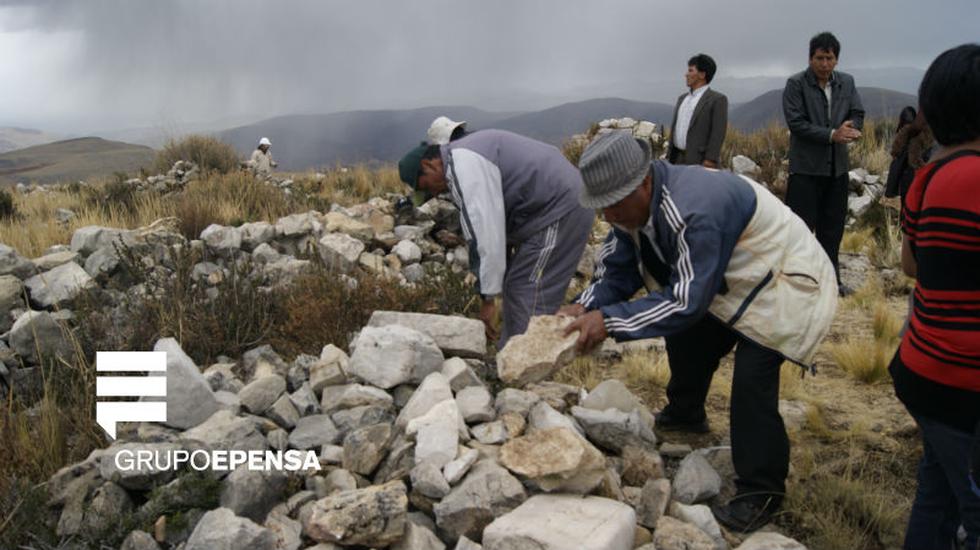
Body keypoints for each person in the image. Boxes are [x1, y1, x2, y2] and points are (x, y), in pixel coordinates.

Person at [560, 130, 837, 532]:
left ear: (643, 183)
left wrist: (608, 322)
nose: (608, 217)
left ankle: (761, 493)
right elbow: (619, 270)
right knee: (688, 339)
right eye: (602, 207)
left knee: (752, 381)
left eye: (614, 205)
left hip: (784, 280)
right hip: (729, 281)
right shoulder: (631, 209)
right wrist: (584, 306)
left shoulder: (694, 210)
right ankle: (686, 412)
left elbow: (686, 302)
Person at [888, 43, 980, 549]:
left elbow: (909, 265)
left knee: (938, 494)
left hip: (922, 371)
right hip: (966, 384)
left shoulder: (926, 178)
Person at [398, 129, 594, 347]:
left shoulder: (465, 166)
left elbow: (486, 234)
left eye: (426, 187)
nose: (433, 194)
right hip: (551, 206)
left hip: (560, 206)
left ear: (429, 165)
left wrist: (488, 300)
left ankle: (528, 364)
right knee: (517, 283)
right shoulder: (462, 157)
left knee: (529, 287)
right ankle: (511, 352)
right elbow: (497, 229)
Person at [782, 32, 865, 296]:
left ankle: (831, 283)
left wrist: (852, 129)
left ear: (837, 60)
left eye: (830, 58)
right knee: (801, 231)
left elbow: (857, 112)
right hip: (806, 170)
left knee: (832, 230)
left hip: (837, 170)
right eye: (820, 58)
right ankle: (797, 284)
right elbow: (796, 123)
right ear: (810, 58)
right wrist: (832, 135)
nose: (825, 64)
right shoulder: (795, 84)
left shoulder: (847, 83)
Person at [667, 54, 729, 168]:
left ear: (702, 74)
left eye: (691, 70)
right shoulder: (682, 99)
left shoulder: (717, 100)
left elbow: (718, 132)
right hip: (675, 160)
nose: (686, 74)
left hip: (699, 162)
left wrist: (710, 159)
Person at [884, 107, 935, 206]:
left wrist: (890, 192)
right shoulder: (926, 135)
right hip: (922, 178)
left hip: (909, 178)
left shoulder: (904, 136)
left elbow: (897, 166)